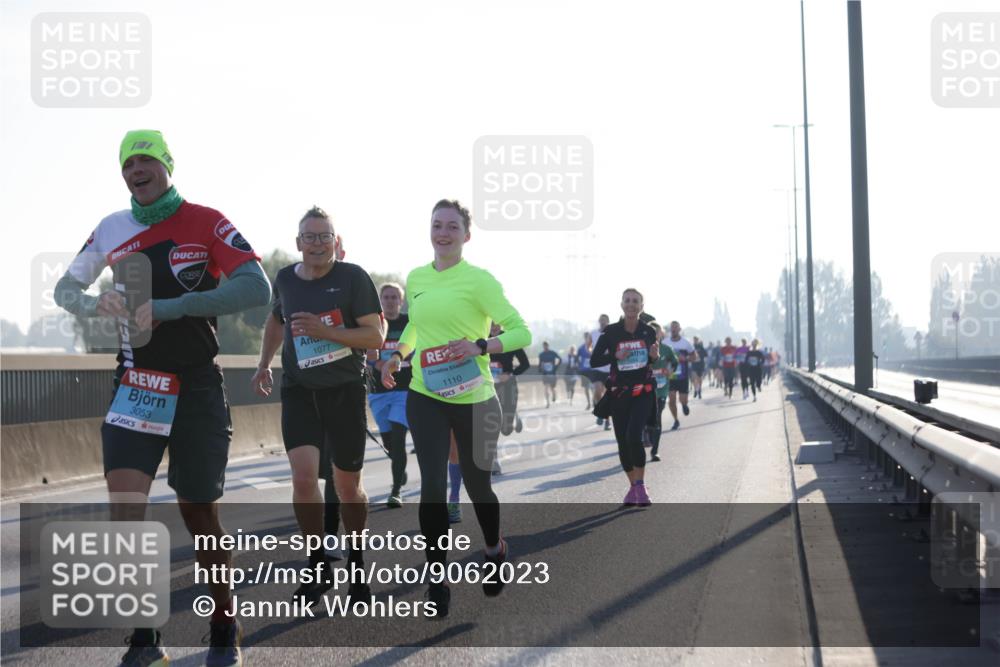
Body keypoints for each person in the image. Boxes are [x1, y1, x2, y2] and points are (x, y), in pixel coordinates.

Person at [54, 130, 271, 667]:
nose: (137, 169)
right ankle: (146, 633)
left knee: (198, 511)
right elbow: (64, 290)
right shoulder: (111, 228)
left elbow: (257, 290)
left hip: (197, 384)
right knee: (125, 511)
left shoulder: (205, 220)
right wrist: (91, 304)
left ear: (167, 165)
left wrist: (176, 307)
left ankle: (224, 619)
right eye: (128, 162)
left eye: (147, 159)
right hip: (138, 384)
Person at [381, 199, 531, 617]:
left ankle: (493, 549)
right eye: (436, 225)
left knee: (479, 485)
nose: (442, 233)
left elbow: (522, 331)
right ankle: (437, 576)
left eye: (451, 227)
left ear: (466, 235)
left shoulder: (480, 281)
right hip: (427, 395)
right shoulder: (417, 278)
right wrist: (398, 355)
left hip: (474, 397)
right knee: (430, 487)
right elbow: (415, 325)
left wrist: (482, 345)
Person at [251, 205, 385, 607]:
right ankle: (317, 564)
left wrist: (326, 331)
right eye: (309, 237)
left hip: (344, 391)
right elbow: (277, 320)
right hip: (299, 390)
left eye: (324, 236)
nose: (316, 244)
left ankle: (357, 562)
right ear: (298, 243)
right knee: (304, 479)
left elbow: (376, 336)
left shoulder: (353, 278)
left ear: (336, 242)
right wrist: (262, 364)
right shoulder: (285, 280)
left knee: (347, 487)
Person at [590, 288, 658, 506]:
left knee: (633, 436)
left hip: (643, 392)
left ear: (641, 306)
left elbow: (649, 361)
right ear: (621, 304)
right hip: (619, 393)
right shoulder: (611, 332)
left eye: (635, 301)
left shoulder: (648, 331)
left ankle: (641, 486)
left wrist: (653, 357)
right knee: (622, 442)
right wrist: (614, 356)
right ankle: (632, 486)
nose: (631, 304)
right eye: (627, 300)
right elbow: (594, 361)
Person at [366, 282, 412, 508]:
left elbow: (417, 347)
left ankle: (395, 491)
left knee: (399, 437)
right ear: (381, 300)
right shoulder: (374, 322)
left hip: (403, 390)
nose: (391, 300)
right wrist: (378, 361)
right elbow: (367, 354)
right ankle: (398, 466)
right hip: (377, 392)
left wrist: (400, 360)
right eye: (386, 297)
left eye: (395, 297)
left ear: (401, 301)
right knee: (389, 443)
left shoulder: (408, 323)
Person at [489, 322, 530, 435]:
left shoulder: (510, 339)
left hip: (507, 385)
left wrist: (509, 375)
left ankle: (512, 415)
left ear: (501, 324)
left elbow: (525, 364)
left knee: (506, 431)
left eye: (496, 324)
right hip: (489, 386)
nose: (493, 327)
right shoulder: (481, 341)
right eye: (490, 324)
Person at [646, 322, 678, 462]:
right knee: (647, 418)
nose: (654, 334)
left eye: (656, 331)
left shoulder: (667, 349)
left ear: (661, 334)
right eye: (651, 331)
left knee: (657, 415)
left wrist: (670, 370)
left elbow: (675, 362)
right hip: (645, 389)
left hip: (661, 388)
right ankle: (647, 431)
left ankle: (655, 451)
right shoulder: (642, 348)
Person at [663, 321, 697, 431]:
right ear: (670, 330)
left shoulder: (686, 343)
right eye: (672, 328)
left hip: (682, 376)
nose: (673, 330)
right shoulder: (665, 342)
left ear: (679, 329)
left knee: (683, 399)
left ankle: (684, 404)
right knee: (671, 400)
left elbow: (694, 357)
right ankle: (676, 420)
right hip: (670, 376)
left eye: (675, 328)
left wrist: (685, 359)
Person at [587, 314, 613, 430]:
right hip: (597, 368)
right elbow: (588, 345)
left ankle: (606, 420)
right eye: (601, 321)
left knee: (607, 396)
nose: (602, 323)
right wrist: (592, 353)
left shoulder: (612, 332)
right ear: (599, 322)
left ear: (608, 322)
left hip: (609, 369)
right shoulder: (593, 333)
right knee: (598, 391)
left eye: (604, 321)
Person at [537, 341, 562, 408]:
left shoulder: (552, 353)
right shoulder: (541, 354)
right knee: (546, 387)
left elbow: (560, 359)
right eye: (544, 346)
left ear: (548, 346)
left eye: (546, 345)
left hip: (552, 373)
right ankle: (547, 403)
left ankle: (554, 395)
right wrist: (540, 369)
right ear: (543, 346)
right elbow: (540, 364)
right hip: (545, 373)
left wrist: (556, 367)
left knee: (552, 387)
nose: (545, 347)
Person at [576, 333, 594, 409]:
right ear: (584, 338)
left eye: (589, 338)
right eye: (586, 338)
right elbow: (576, 358)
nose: (588, 339)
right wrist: (579, 365)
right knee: (586, 387)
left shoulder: (594, 347)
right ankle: (589, 403)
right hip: (584, 370)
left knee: (593, 387)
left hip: (592, 370)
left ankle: (594, 401)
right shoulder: (581, 348)